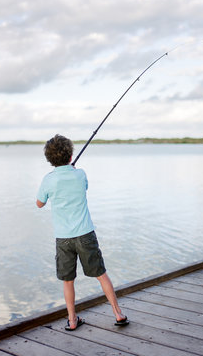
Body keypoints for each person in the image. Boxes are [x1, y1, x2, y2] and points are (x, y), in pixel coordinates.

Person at [36, 134, 129, 331]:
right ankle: (118, 313)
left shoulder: (48, 180)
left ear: (49, 159)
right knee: (101, 274)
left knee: (68, 281)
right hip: (85, 234)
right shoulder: (80, 174)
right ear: (70, 156)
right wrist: (73, 172)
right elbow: (83, 187)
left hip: (63, 238)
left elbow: (39, 203)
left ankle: (72, 319)